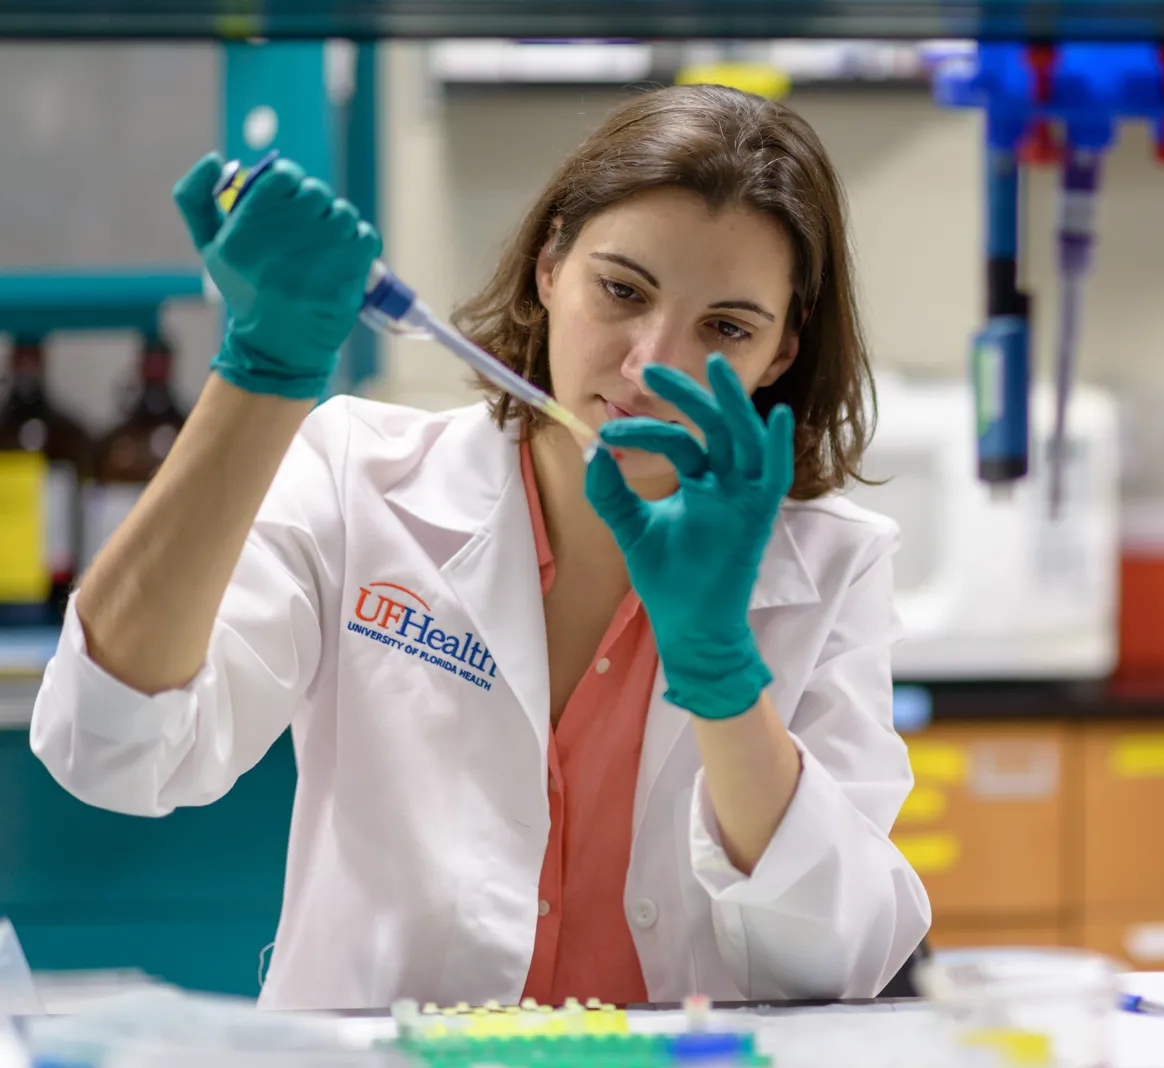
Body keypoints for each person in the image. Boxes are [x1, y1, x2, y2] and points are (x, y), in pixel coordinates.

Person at [30, 84, 931, 1010]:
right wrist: (261, 374)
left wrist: (721, 668)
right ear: (550, 268)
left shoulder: (832, 565)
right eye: (622, 291)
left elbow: (842, 958)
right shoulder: (358, 478)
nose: (650, 366)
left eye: (727, 328)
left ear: (780, 354)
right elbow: (111, 748)